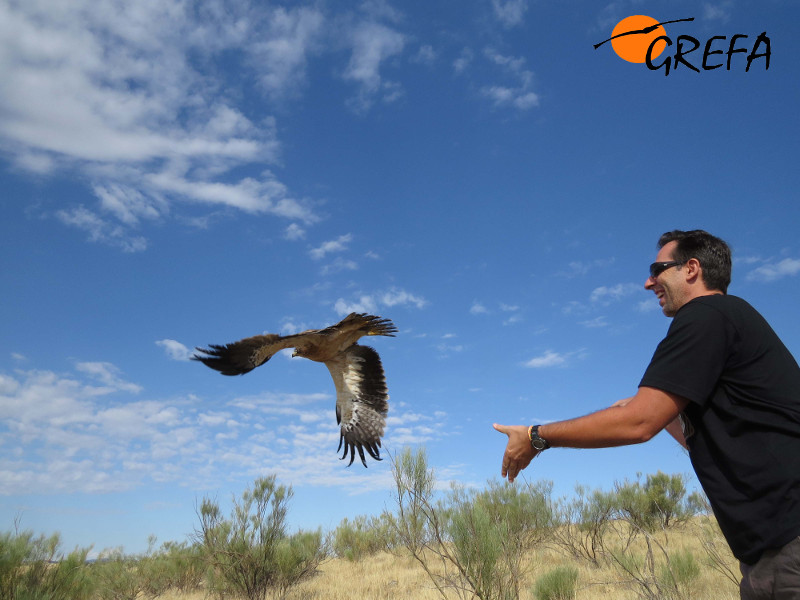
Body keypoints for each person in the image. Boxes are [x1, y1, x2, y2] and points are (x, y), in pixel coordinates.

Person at [494, 230, 800, 599]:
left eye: (658, 269)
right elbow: (643, 413)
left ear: (691, 269)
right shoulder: (727, 321)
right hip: (771, 551)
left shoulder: (706, 315)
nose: (647, 282)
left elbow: (639, 423)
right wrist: (636, 412)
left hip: (789, 545)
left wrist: (537, 437)